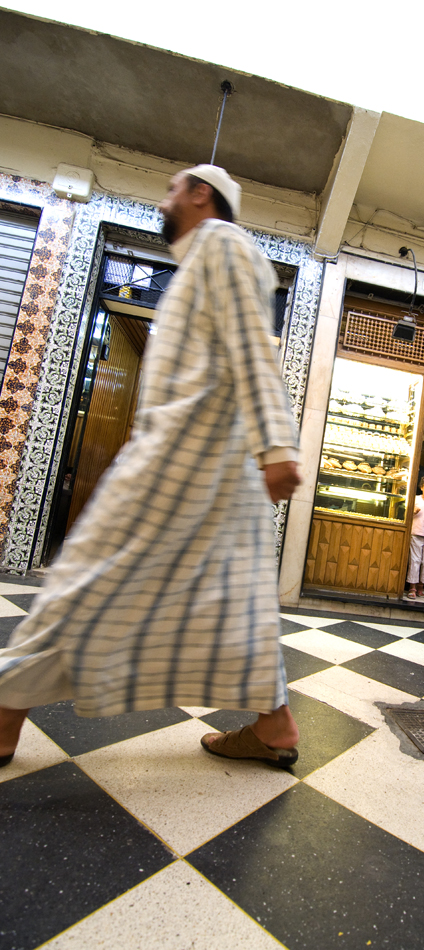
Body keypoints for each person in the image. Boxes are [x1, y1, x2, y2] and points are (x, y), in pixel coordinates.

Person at [0, 164, 303, 770]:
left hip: (182, 461)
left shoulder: (220, 242)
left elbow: (251, 341)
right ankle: (275, 725)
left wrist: (278, 445)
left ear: (200, 194)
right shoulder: (203, 260)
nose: (165, 200)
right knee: (230, 601)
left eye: (172, 188)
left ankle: (4, 713)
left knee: (88, 575)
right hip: (210, 466)